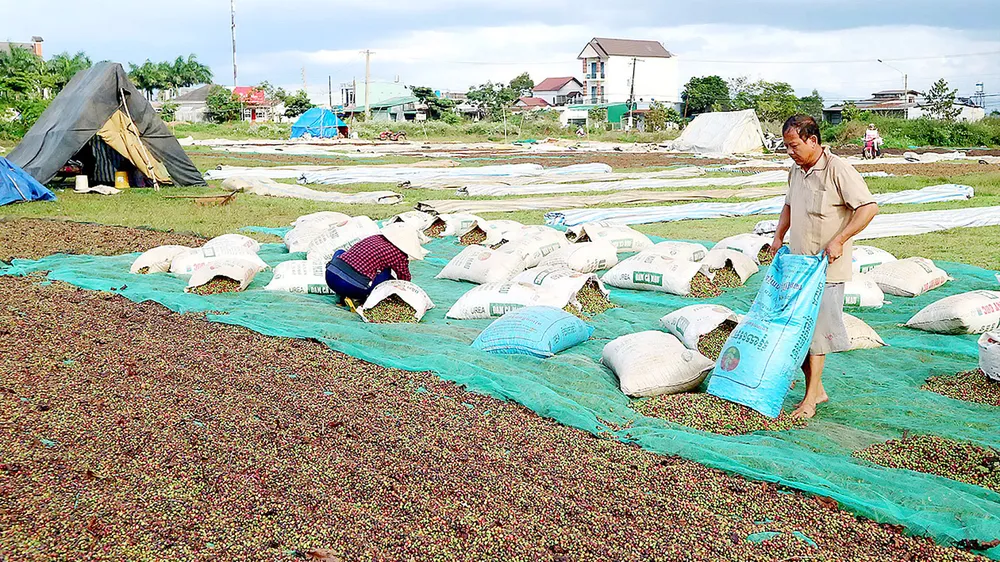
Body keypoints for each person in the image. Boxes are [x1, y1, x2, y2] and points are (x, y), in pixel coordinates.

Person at [770, 115, 880, 419]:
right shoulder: (796, 170)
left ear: (813, 140)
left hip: (826, 268)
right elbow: (789, 205)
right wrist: (779, 236)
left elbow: (868, 207)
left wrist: (841, 239)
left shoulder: (838, 170)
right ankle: (815, 389)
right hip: (798, 266)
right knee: (799, 332)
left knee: (815, 334)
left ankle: (810, 400)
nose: (790, 152)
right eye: (786, 146)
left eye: (794, 145)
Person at [325, 223, 428, 309]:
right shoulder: (399, 254)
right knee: (386, 274)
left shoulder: (374, 238)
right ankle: (361, 297)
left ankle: (340, 298)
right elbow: (404, 279)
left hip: (330, 277)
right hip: (354, 287)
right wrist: (404, 293)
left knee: (340, 252)